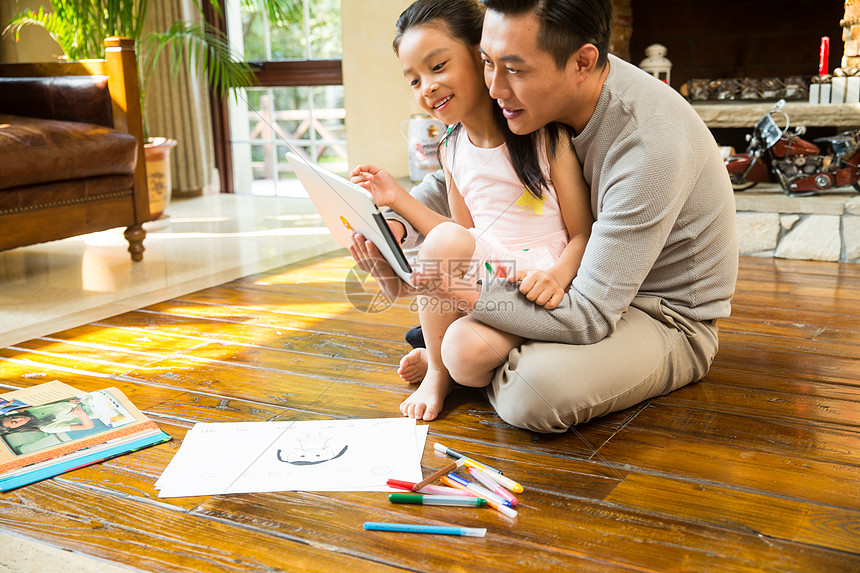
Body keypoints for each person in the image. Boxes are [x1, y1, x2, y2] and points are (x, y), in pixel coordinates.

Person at [350, 0, 738, 433]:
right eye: (485, 62)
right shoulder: (533, 100)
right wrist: (397, 225)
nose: (493, 88)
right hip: (566, 288)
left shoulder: (648, 146)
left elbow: (589, 312)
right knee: (467, 321)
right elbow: (471, 176)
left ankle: (462, 356)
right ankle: (467, 352)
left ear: (582, 63)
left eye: (513, 69)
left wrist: (461, 292)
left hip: (655, 312)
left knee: (530, 396)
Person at [350, 0, 593, 422]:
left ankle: (441, 358)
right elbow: (462, 236)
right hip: (488, 275)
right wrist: (395, 198)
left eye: (438, 66)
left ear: (482, 58)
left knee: (464, 353)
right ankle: (439, 373)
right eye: (414, 80)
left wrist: (558, 277)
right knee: (443, 256)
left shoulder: (546, 139)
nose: (426, 87)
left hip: (538, 278)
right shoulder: (451, 147)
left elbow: (583, 234)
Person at [0, 399, 95, 434]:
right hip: (94, 410)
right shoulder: (47, 428)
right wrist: (82, 415)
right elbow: (88, 426)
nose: (19, 418)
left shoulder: (30, 410)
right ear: (16, 428)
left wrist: (68, 401)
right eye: (15, 422)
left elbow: (54, 403)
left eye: (13, 417)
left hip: (86, 398)